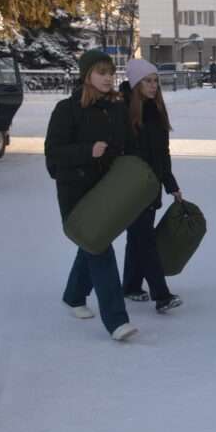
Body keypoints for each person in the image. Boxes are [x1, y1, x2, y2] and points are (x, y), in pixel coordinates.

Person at [45, 50, 137, 341]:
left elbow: (125, 148)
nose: (108, 78)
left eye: (110, 72)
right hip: (75, 192)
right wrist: (87, 151)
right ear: (87, 75)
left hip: (105, 191)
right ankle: (117, 321)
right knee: (99, 247)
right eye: (101, 72)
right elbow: (53, 154)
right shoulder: (66, 109)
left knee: (93, 244)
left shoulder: (116, 109)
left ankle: (73, 296)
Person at [119, 59, 184, 314]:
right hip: (130, 186)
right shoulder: (122, 110)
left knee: (138, 237)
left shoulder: (157, 111)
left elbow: (162, 153)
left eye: (155, 80)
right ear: (136, 83)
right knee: (144, 239)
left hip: (151, 185)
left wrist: (171, 184)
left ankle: (131, 285)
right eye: (147, 80)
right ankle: (161, 295)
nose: (154, 85)